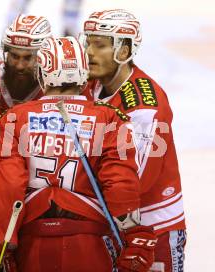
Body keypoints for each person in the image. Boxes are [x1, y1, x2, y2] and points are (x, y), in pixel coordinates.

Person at [0, 36, 157, 272]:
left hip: (32, 242)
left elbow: (7, 188)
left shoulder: (14, 117)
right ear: (83, 71)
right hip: (90, 244)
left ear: (43, 71)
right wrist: (133, 233)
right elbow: (120, 182)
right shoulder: (109, 117)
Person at [83, 9, 186, 272]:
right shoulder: (92, 86)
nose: (89, 52)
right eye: (88, 43)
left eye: (100, 45)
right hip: (113, 224)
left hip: (152, 228)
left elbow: (136, 179)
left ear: (125, 50)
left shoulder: (143, 104)